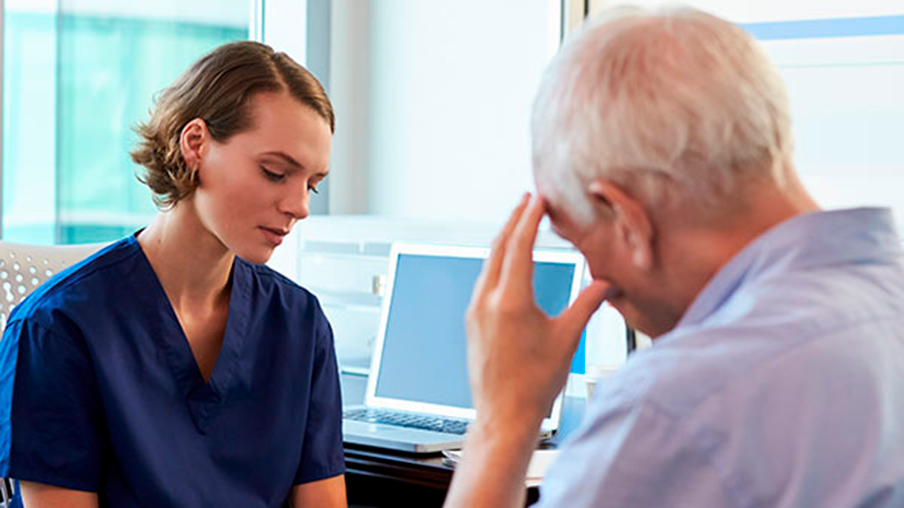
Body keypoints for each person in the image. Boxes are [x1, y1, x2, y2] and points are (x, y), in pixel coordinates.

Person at [444, 6, 904, 508]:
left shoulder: (677, 408)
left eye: (578, 241)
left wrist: (503, 420)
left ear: (626, 219)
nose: (597, 280)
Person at [0, 41, 346, 507]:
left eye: (312, 185)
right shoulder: (56, 329)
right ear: (195, 144)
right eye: (274, 172)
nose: (300, 206)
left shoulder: (300, 323)